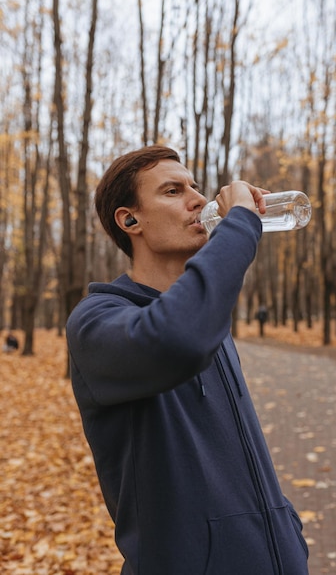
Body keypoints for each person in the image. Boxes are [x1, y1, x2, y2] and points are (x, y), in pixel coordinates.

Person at [66, 145, 309, 575]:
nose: (198, 199)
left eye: (195, 186)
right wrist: (240, 226)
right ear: (130, 220)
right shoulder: (97, 322)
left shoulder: (204, 315)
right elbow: (178, 336)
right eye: (173, 190)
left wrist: (287, 532)